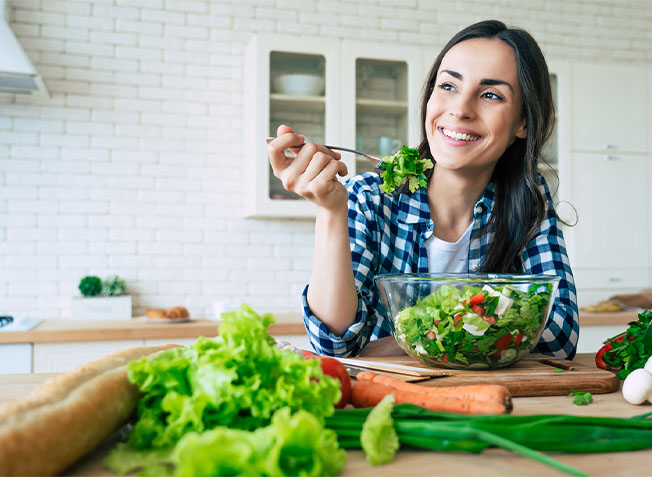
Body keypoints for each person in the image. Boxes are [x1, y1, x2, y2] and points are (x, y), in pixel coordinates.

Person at [267, 20, 579, 359]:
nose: (460, 109)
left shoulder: (529, 201)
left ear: (523, 123)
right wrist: (329, 210)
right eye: (448, 86)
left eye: (490, 95)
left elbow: (559, 336)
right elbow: (336, 344)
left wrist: (406, 340)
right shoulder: (369, 197)